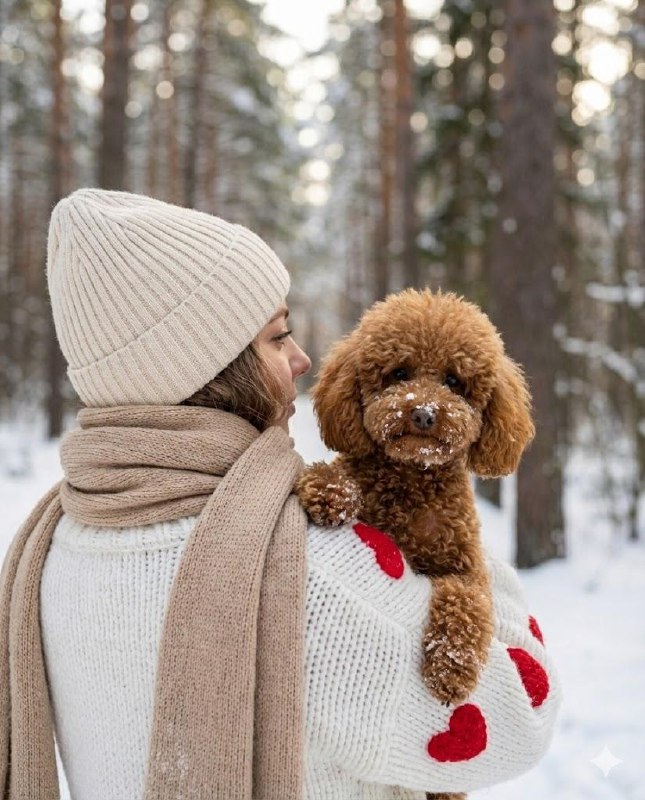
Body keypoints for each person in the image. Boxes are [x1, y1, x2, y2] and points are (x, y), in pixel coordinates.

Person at [0, 189, 561, 800]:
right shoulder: (311, 572)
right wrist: (487, 577)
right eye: (277, 336)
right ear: (203, 363)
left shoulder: (52, 547)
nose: (301, 358)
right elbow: (518, 721)